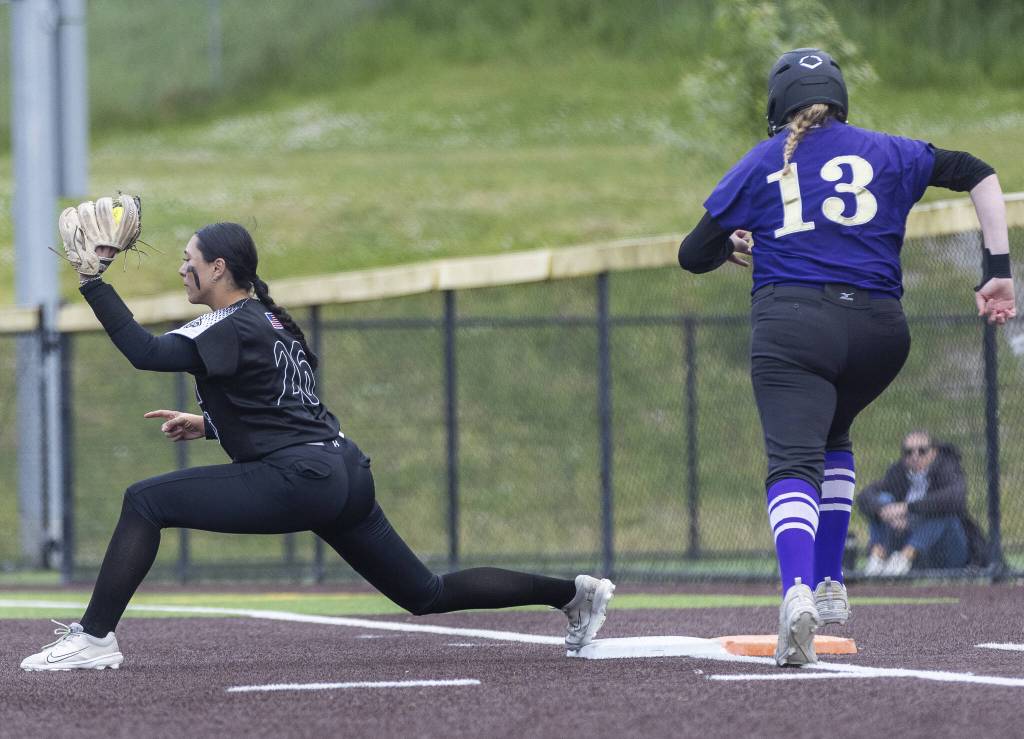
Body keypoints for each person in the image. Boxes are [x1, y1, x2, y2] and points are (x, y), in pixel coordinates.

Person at [21, 222, 615, 671]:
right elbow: (277, 407)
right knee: (424, 594)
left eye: (188, 261)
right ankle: (574, 595)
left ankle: (94, 639)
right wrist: (210, 427)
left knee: (145, 501)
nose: (182, 270)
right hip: (343, 472)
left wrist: (93, 281)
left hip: (303, 476)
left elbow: (145, 354)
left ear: (218, 268)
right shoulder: (270, 321)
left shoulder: (227, 323)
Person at [677, 48, 1015, 666]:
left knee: (792, 459)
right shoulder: (889, 150)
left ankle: (797, 592)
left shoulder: (762, 161)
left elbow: (691, 253)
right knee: (835, 435)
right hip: (880, 331)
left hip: (795, 324)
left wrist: (732, 243)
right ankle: (830, 583)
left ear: (777, 105)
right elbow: (979, 171)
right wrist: (997, 272)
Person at [857, 431, 978, 575]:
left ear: (934, 452)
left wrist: (907, 509)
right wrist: (884, 511)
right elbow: (864, 496)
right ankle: (877, 558)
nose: (915, 456)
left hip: (948, 552)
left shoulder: (948, 469)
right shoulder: (898, 473)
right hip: (915, 550)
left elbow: (955, 499)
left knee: (944, 513)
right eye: (909, 452)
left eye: (922, 451)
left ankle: (903, 559)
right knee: (883, 499)